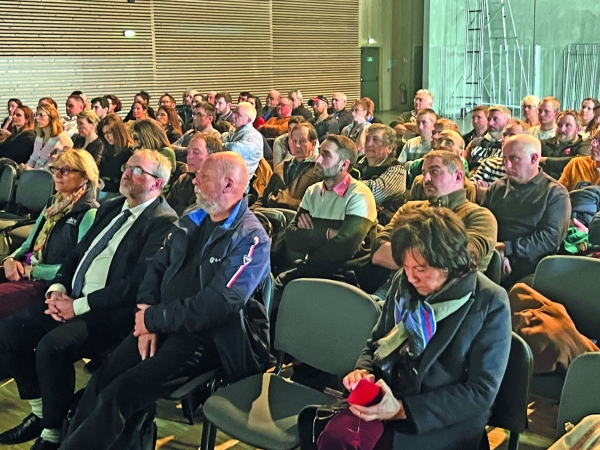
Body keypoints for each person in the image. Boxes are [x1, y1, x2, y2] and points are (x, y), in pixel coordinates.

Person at [57, 152, 270, 450]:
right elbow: (154, 269)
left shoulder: (251, 239)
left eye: (203, 177)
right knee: (102, 381)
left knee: (121, 394)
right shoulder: (193, 218)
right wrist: (146, 312)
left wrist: (153, 319)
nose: (193, 180)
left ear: (228, 184)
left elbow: (218, 304)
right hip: (161, 321)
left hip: (208, 338)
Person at [0, 150, 178, 450]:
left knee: (51, 348)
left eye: (137, 171)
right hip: (72, 297)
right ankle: (41, 413)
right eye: (127, 167)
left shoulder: (163, 221)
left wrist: (77, 306)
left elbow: (134, 285)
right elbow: (76, 253)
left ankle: (52, 433)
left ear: (157, 184)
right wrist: (57, 288)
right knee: (10, 331)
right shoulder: (111, 207)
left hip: (109, 312)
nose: (126, 173)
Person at [308, 207, 511, 450]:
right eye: (406, 267)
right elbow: (375, 343)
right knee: (324, 432)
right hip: (387, 402)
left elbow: (480, 392)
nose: (411, 277)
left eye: (421, 269)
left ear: (449, 261)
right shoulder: (403, 283)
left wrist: (402, 410)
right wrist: (363, 373)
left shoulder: (489, 301)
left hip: (439, 422)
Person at [0, 149, 99, 320]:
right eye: (55, 169)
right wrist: (10, 260)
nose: (57, 175)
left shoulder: (88, 213)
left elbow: (78, 268)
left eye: (65, 170)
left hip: (49, 284)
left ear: (85, 177)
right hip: (28, 269)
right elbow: (28, 245)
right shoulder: (53, 205)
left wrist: (33, 271)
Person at [373, 150, 497, 272]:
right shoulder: (410, 209)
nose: (425, 179)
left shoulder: (480, 216)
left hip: (451, 291)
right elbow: (378, 249)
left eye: (434, 171)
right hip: (397, 286)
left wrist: (403, 254)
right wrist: (428, 262)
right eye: (424, 173)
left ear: (458, 176)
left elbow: (459, 261)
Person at [280, 135, 377, 285]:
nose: (317, 160)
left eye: (325, 155)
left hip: (348, 278)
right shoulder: (313, 191)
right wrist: (328, 233)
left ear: (344, 165)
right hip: (315, 273)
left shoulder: (360, 195)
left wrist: (310, 237)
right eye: (319, 153)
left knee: (281, 287)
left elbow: (344, 248)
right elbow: (291, 238)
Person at [482, 134, 571, 287]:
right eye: (504, 159)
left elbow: (549, 239)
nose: (507, 166)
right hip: (492, 257)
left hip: (532, 268)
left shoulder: (555, 193)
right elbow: (483, 225)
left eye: (514, 159)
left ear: (534, 158)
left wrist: (507, 249)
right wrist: (496, 254)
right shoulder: (497, 188)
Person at [253, 122, 320, 210]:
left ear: (313, 144)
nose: (297, 145)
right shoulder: (281, 167)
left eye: (302, 141)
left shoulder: (319, 170)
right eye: (294, 141)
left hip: (296, 219)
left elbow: (317, 207)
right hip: (270, 216)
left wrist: (284, 200)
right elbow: (263, 199)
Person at [356, 124, 406, 225]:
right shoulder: (357, 164)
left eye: (376, 140)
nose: (369, 144)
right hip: (357, 217)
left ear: (389, 148)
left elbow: (375, 192)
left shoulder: (397, 169)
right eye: (367, 139)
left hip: (384, 226)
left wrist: (344, 184)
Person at [166, 132, 223, 216]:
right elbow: (167, 210)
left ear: (212, 156)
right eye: (188, 152)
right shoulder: (183, 180)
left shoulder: (219, 187)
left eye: (195, 152)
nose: (189, 157)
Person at [222, 102, 264, 187]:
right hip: (225, 176)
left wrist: (218, 146)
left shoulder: (254, 136)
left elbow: (234, 150)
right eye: (234, 111)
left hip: (238, 184)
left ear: (248, 120)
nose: (232, 116)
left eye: (237, 114)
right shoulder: (234, 132)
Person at [540, 109, 588, 180]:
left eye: (568, 125)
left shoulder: (583, 147)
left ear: (578, 129)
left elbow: (577, 163)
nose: (562, 129)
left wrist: (544, 160)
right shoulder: (544, 144)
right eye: (559, 125)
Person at [25, 104, 73, 170]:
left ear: (51, 118)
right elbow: (33, 158)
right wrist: (25, 167)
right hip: (35, 174)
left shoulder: (62, 138)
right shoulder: (39, 137)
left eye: (41, 115)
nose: (36, 118)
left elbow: (55, 166)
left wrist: (31, 170)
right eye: (36, 115)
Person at [97, 114, 134, 197]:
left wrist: (107, 186)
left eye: (109, 133)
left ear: (118, 131)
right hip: (102, 189)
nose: (107, 137)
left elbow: (130, 183)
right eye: (104, 133)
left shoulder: (129, 153)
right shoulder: (106, 149)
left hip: (118, 194)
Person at [465, 105, 510, 171]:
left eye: (495, 119)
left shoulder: (510, 146)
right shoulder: (474, 143)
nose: (490, 123)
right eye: (488, 119)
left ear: (507, 122)